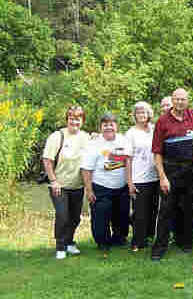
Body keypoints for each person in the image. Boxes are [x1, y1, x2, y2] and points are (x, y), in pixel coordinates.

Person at [150, 88, 193, 260]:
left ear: (188, 100)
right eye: (177, 99)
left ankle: (186, 243)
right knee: (166, 210)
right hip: (170, 171)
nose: (180, 102)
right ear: (172, 100)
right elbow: (157, 152)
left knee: (188, 209)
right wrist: (162, 177)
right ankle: (159, 248)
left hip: (190, 171)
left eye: (183, 99)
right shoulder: (162, 121)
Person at [42, 106, 90, 259]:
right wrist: (53, 181)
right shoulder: (58, 136)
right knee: (62, 215)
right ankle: (60, 246)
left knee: (75, 217)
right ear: (67, 119)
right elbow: (47, 160)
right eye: (71, 118)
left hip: (78, 185)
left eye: (78, 118)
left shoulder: (85, 137)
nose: (74, 121)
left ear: (82, 121)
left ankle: (69, 242)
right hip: (59, 185)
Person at [81, 113, 132, 252]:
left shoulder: (124, 140)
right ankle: (102, 243)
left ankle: (120, 239)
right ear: (100, 127)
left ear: (117, 126)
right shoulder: (93, 144)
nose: (109, 127)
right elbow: (86, 169)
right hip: (101, 186)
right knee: (100, 217)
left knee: (121, 215)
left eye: (111, 124)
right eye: (105, 125)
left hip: (122, 187)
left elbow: (128, 161)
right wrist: (89, 190)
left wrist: (130, 183)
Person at [125, 101, 158, 252]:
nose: (142, 115)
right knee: (139, 212)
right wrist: (130, 182)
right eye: (139, 113)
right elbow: (128, 159)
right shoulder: (131, 133)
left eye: (144, 112)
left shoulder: (153, 129)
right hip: (139, 178)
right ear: (135, 115)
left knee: (153, 210)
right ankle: (138, 241)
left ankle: (150, 236)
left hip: (155, 177)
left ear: (149, 114)